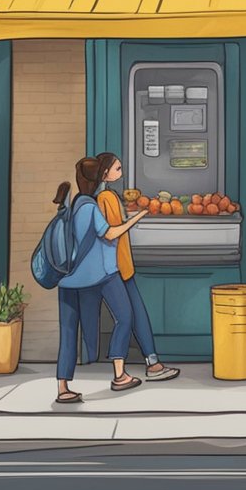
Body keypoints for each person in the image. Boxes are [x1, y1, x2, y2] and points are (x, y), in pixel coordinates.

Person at [53, 157, 148, 404]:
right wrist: (137, 218)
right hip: (102, 274)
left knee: (68, 331)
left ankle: (63, 388)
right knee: (125, 317)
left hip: (69, 280)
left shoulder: (73, 205)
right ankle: (119, 374)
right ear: (99, 178)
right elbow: (110, 233)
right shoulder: (91, 207)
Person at [81, 152, 181, 382]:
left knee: (135, 315)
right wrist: (139, 216)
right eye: (117, 168)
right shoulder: (107, 196)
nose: (121, 172)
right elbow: (114, 230)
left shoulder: (100, 196)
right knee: (130, 315)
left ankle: (152, 363)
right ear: (105, 173)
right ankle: (138, 368)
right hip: (117, 265)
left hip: (114, 265)